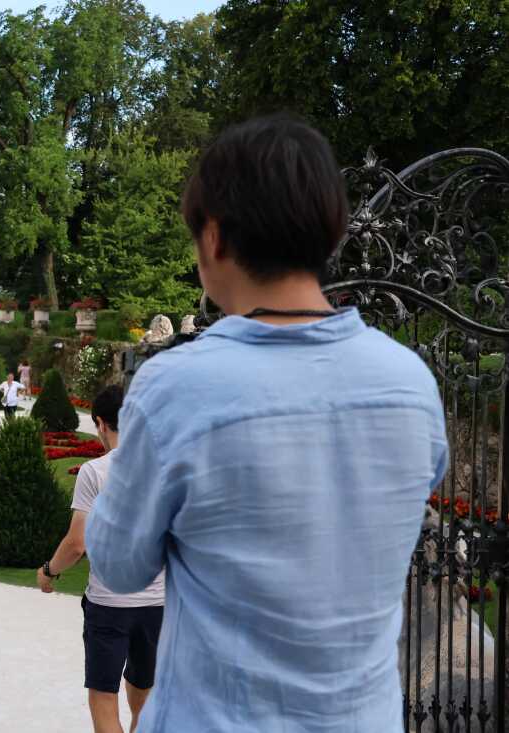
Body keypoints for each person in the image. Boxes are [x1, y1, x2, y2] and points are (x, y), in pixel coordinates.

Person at [84, 115, 449, 732]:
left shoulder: (177, 387)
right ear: (330, 233)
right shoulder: (410, 382)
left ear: (215, 237)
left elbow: (118, 567)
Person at [38, 385, 163, 733]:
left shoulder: (95, 471)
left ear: (100, 423)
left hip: (109, 602)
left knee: (103, 696)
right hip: (159, 602)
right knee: (145, 690)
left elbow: (76, 544)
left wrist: (48, 571)